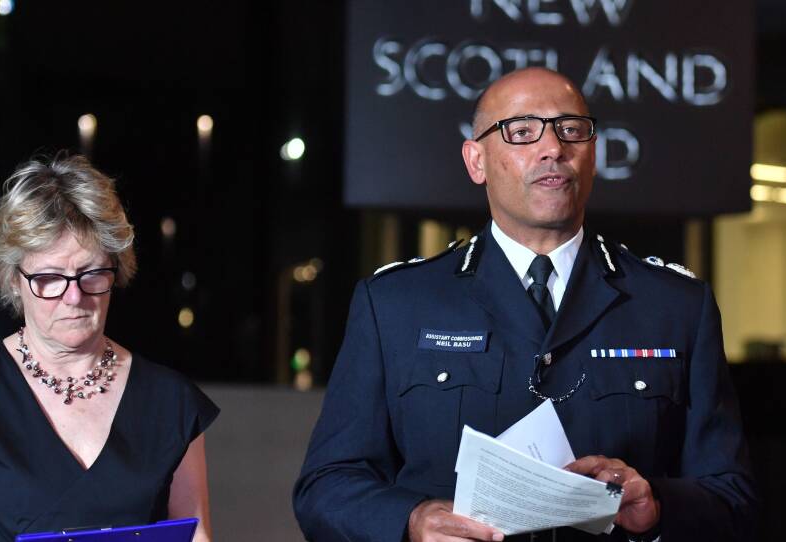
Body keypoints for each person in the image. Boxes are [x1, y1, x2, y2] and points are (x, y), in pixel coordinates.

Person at [293, 67, 757, 542]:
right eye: (521, 132)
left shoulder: (675, 305)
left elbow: (732, 497)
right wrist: (410, 521)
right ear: (476, 161)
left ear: (593, 154)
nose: (553, 148)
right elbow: (325, 488)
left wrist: (657, 506)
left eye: (571, 130)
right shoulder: (395, 304)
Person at [0, 155, 218, 541]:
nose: (74, 296)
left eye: (91, 273)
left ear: (117, 269)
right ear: (12, 280)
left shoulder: (172, 402)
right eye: (49, 277)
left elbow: (197, 537)